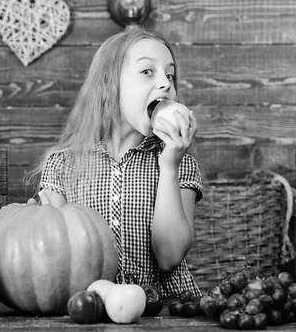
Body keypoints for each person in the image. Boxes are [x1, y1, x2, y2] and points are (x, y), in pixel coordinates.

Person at [25, 27, 202, 298]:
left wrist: (169, 165)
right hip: (91, 308)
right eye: (147, 72)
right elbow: (55, 261)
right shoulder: (62, 165)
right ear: (110, 84)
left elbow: (170, 257)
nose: (165, 83)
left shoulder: (180, 163)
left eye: (170, 74)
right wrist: (25, 222)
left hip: (167, 313)